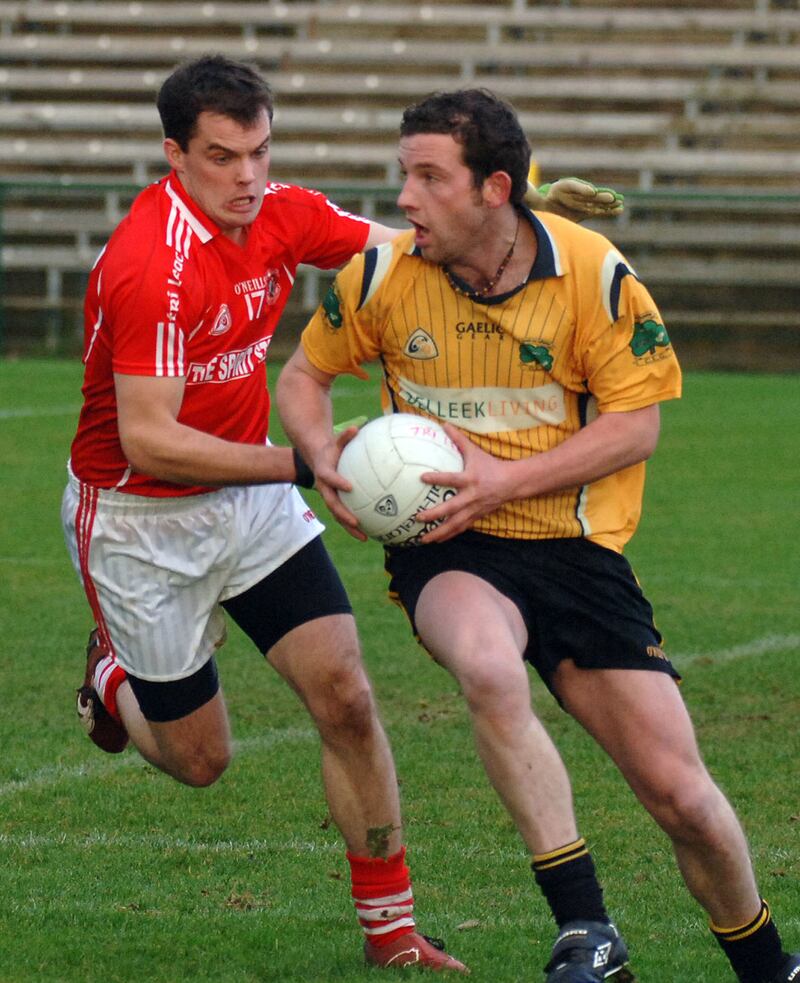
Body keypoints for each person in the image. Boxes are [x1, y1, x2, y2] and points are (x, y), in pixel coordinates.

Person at [276, 88, 800, 983]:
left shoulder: (593, 274)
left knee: (681, 795)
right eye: (403, 173)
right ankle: (585, 928)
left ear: (495, 189)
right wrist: (324, 454)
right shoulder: (381, 276)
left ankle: (765, 963)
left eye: (428, 176)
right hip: (450, 545)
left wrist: (503, 483)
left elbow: (636, 426)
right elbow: (303, 374)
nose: (403, 197)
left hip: (576, 551)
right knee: (482, 661)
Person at [61, 53, 472, 974]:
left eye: (258, 151)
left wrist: (511, 222)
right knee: (200, 761)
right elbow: (148, 441)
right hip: (138, 522)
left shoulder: (282, 212)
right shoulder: (150, 267)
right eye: (220, 156)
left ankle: (392, 932)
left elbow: (407, 249)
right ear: (175, 154)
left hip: (251, 504)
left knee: (348, 697)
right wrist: (309, 460)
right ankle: (113, 678)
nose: (246, 176)